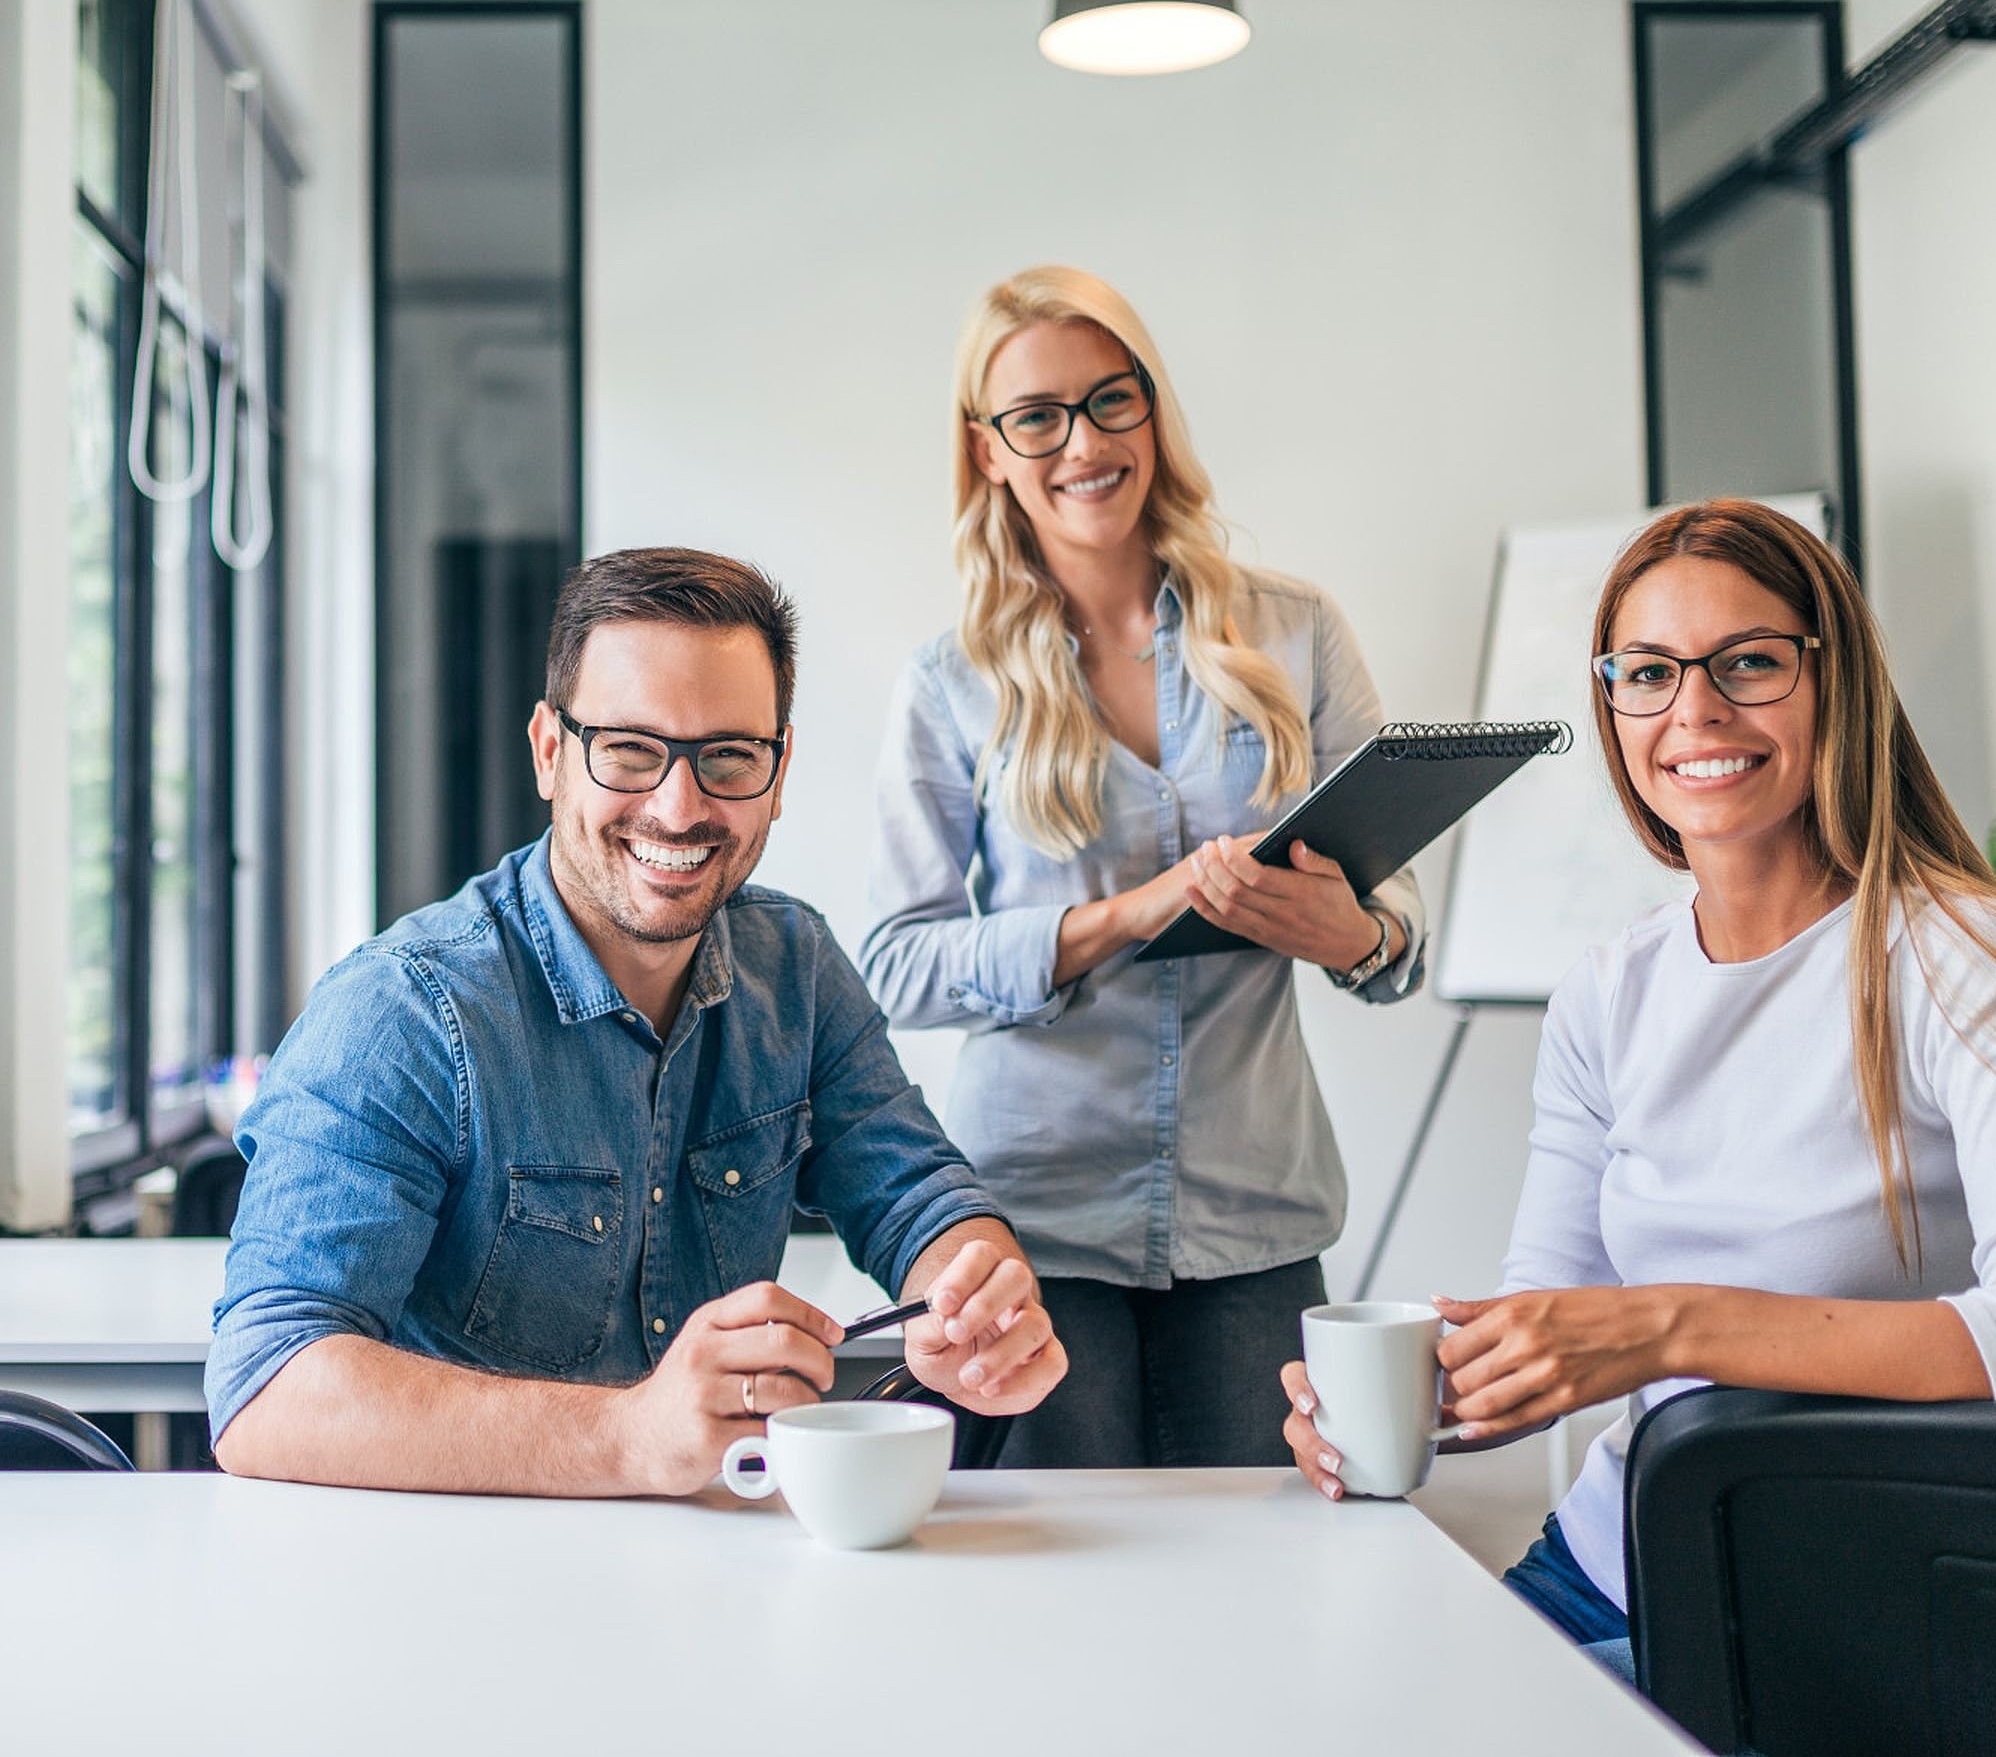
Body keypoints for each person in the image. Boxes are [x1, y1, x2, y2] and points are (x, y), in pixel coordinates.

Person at [1280, 498, 1996, 1676]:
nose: (1695, 709)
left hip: (1866, 1589)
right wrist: (1401, 1395)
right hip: (1621, 1551)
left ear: (1834, 677)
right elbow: (1550, 1313)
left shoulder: (1958, 954)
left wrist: (1669, 1325)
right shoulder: (1608, 992)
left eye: (1749, 662)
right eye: (1648, 671)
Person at [210, 548, 1066, 1493]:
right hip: (454, 1594)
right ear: (549, 752)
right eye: (628, 749)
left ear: (779, 772)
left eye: (728, 757)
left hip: (715, 1572)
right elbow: (265, 1387)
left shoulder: (797, 969)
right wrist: (627, 1434)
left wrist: (975, 1292)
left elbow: (918, 1198)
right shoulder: (402, 1011)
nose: (678, 805)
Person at [860, 266, 1426, 1468]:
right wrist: (1121, 918)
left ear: (1153, 411)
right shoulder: (946, 681)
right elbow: (895, 965)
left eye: (1111, 401)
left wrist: (1353, 934)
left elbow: (1398, 926)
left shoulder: (1296, 629)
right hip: (1032, 1220)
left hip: (1254, 1212)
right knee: (1060, 1593)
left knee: (1263, 1580)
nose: (1084, 443)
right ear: (990, 450)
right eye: (1038, 417)